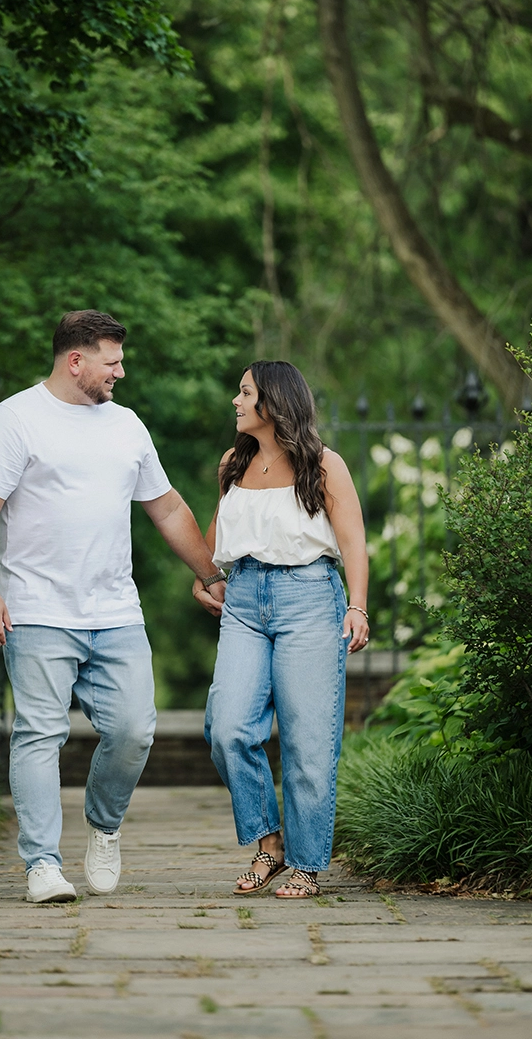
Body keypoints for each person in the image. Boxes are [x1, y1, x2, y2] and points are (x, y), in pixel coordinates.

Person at [0, 309, 227, 904]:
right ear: (75, 360)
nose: (122, 372)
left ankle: (103, 827)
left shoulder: (127, 426)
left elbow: (165, 507)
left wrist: (209, 572)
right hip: (35, 607)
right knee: (39, 732)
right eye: (112, 361)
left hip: (114, 611)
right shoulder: (14, 419)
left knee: (135, 729)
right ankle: (42, 865)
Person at [204, 361, 369, 900]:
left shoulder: (323, 465)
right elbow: (218, 539)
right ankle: (268, 843)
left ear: (272, 403)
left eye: (245, 392)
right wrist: (208, 580)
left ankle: (305, 862)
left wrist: (359, 607)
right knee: (227, 728)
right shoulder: (233, 463)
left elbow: (353, 543)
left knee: (307, 740)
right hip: (246, 600)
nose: (235, 400)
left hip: (310, 599)